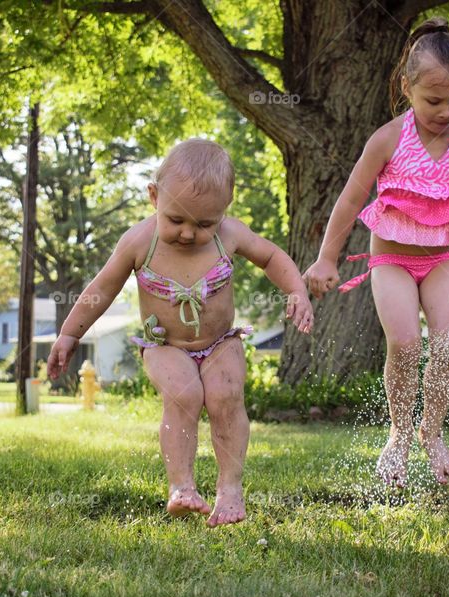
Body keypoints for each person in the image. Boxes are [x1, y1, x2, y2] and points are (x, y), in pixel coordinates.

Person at [48, 138, 314, 526]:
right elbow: (102, 288)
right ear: (154, 197)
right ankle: (182, 486)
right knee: (184, 395)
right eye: (176, 220)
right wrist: (70, 334)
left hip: (220, 342)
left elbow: (271, 256)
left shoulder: (229, 234)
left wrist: (296, 291)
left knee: (226, 397)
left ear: (225, 207)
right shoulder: (140, 241)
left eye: (204, 224)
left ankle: (230, 488)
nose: (188, 233)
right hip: (165, 344)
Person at [303, 17, 449, 487]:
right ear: (407, 88)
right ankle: (399, 434)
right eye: (433, 100)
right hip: (392, 261)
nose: (446, 111)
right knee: (405, 343)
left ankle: (433, 433)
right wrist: (326, 258)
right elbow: (350, 199)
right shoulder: (388, 139)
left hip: (444, 259)